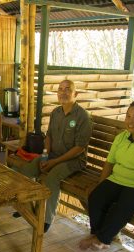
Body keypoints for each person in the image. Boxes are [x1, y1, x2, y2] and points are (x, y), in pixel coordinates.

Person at [79, 101, 134, 251]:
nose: (130, 121)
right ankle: (97, 234)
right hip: (117, 179)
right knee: (96, 197)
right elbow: (109, 164)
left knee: (122, 207)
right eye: (128, 116)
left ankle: (102, 238)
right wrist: (101, 185)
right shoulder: (122, 137)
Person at [11, 80, 92, 232]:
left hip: (74, 160)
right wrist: (45, 155)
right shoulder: (56, 112)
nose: (63, 92)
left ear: (76, 94)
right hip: (53, 155)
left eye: (68, 89)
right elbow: (48, 137)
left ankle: (47, 219)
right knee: (24, 172)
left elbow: (80, 148)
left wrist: (54, 161)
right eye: (60, 89)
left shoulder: (82, 116)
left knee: (52, 177)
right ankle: (27, 208)